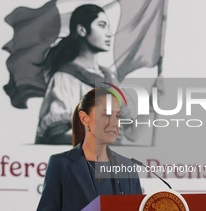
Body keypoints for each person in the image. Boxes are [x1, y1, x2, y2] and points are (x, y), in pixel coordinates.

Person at [34, 88, 142, 211]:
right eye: (106, 115)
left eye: (118, 116)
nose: (114, 123)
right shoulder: (61, 164)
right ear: (85, 119)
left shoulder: (127, 166)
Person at [35, 4, 136, 145]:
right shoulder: (65, 77)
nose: (108, 33)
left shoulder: (109, 77)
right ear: (82, 30)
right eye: (101, 25)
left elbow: (132, 133)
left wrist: (153, 104)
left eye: (108, 27)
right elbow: (56, 133)